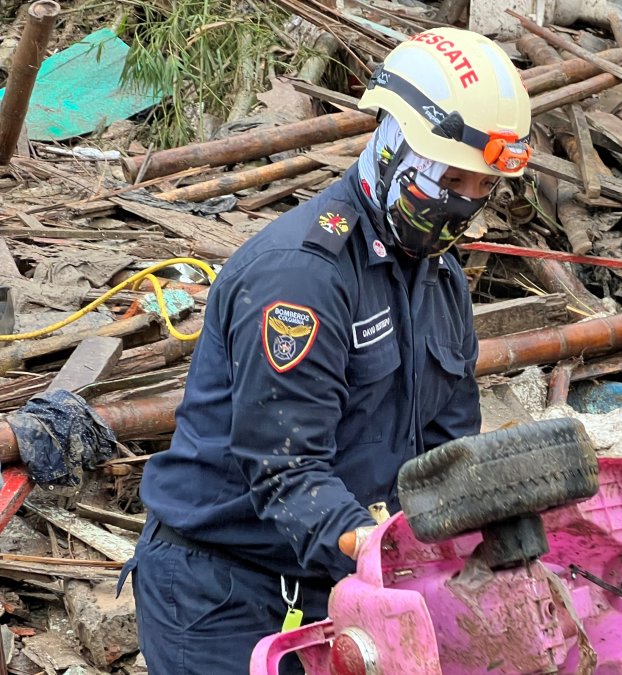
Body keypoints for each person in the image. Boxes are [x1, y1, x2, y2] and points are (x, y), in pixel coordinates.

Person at [118, 28, 531, 674]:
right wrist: (379, 545)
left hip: (338, 585)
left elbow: (449, 450)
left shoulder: (439, 279)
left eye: (481, 191)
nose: (464, 206)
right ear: (394, 144)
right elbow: (286, 472)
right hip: (221, 592)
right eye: (451, 180)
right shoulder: (302, 279)